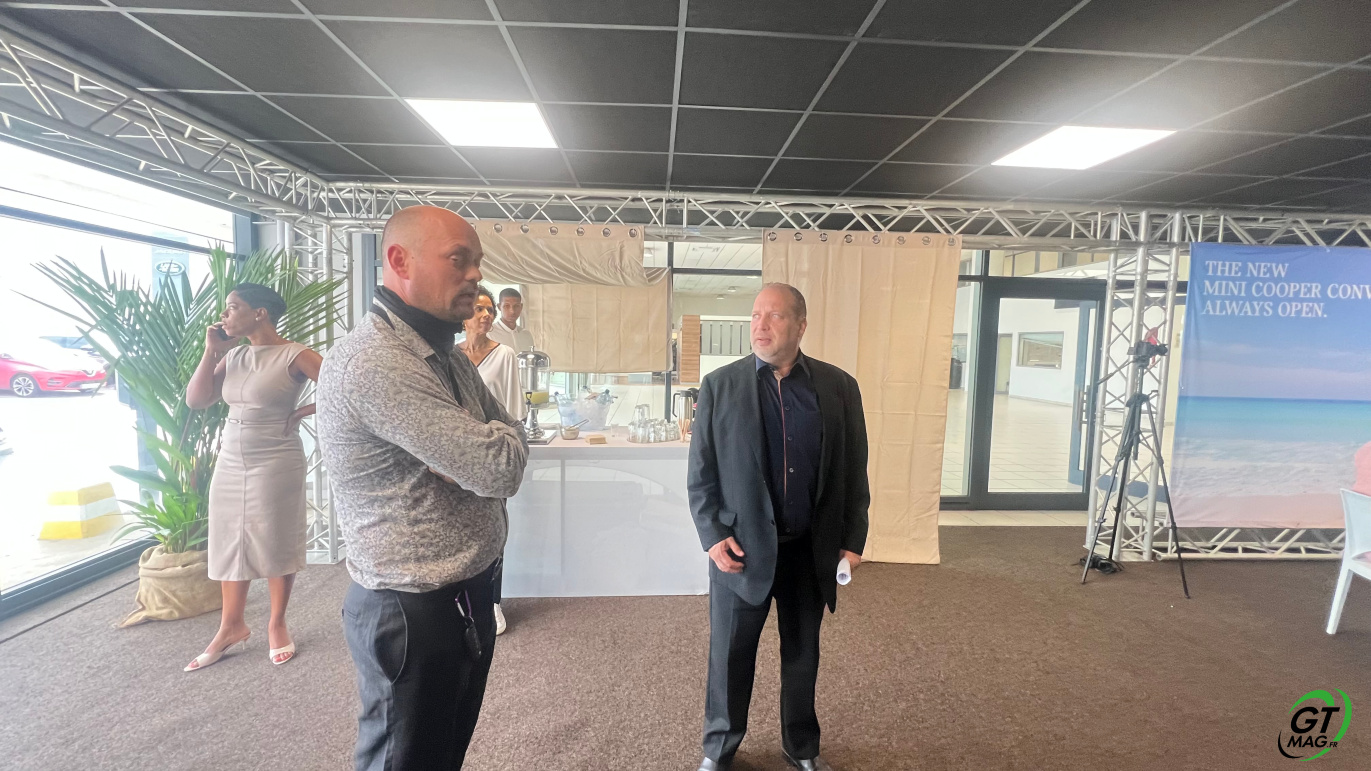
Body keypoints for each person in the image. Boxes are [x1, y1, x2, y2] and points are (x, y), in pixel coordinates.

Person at [317, 205, 528, 771]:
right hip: (412, 610)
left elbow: (511, 436)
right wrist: (483, 444)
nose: (475, 275)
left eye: (477, 262)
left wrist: (483, 443)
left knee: (443, 751)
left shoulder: (447, 355)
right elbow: (499, 469)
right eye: (458, 260)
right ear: (399, 261)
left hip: (463, 591)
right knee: (404, 759)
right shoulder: (378, 362)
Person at [687, 283, 869, 771]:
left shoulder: (838, 387)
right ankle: (719, 748)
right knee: (730, 655)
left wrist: (853, 539)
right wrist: (712, 535)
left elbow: (854, 470)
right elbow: (701, 474)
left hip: (810, 549)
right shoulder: (720, 386)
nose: (760, 326)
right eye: (755, 315)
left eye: (774, 316)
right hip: (740, 550)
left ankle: (802, 746)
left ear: (801, 325)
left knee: (803, 655)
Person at [184, 282, 323, 671]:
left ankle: (277, 623)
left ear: (259, 313)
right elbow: (197, 399)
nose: (224, 315)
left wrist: (302, 412)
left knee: (273, 535)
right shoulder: (235, 355)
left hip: (275, 457)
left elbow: (345, 388)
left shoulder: (295, 354)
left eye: (232, 307)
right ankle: (231, 625)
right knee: (229, 536)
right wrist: (212, 351)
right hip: (231, 457)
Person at [456, 284, 524, 636]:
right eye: (479, 309)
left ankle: (492, 601)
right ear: (464, 316)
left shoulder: (505, 354)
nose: (485, 315)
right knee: (460, 526)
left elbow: (513, 411)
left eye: (490, 310)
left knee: (493, 527)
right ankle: (460, 601)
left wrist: (507, 451)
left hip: (490, 451)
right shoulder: (449, 355)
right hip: (455, 453)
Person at [489, 287, 535, 352]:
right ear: (499, 307)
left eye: (516, 306)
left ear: (521, 307)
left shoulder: (526, 335)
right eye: (506, 306)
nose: (512, 311)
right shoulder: (490, 334)